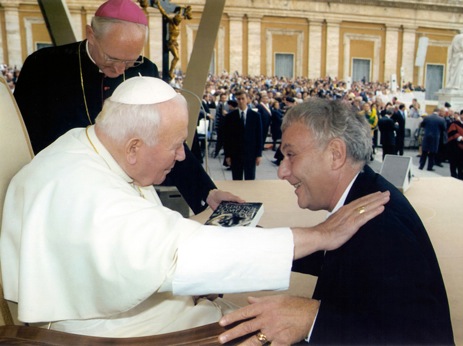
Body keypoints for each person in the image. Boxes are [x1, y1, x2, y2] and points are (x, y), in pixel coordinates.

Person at [0, 77, 390, 338]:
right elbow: (172, 253)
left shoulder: (89, 146)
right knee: (260, 331)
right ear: (134, 146)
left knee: (237, 309)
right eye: (174, 146)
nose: (182, 155)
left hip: (101, 302)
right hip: (90, 329)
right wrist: (318, 236)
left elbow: (149, 242)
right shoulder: (83, 189)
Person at [218, 98, 454, 345]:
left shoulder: (381, 228)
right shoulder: (363, 194)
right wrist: (253, 239)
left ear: (335, 154)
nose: (282, 171)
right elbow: (328, 255)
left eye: (291, 154)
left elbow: (419, 338)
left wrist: (313, 319)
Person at [13, 0, 228, 215]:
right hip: (63, 195)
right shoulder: (43, 67)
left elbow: (165, 141)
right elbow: (19, 142)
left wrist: (207, 191)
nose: (117, 70)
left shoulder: (144, 70)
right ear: (91, 35)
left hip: (122, 199)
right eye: (111, 58)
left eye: (128, 62)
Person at [224, 89, 263, 180]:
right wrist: (227, 155)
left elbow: (259, 136)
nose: (241, 101)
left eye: (242, 98)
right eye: (238, 99)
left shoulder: (256, 116)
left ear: (247, 99)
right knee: (236, 179)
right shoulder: (230, 117)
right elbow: (227, 138)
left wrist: (259, 154)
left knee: (250, 179)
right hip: (235, 153)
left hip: (250, 153)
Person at [154, 0, 192, 80]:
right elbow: (164, 13)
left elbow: (180, 15)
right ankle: (170, 71)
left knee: (177, 57)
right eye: (178, 20)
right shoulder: (171, 22)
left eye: (179, 21)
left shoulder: (177, 24)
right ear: (175, 20)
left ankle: (170, 71)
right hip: (170, 43)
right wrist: (158, 4)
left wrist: (181, 10)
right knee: (177, 57)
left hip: (175, 43)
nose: (179, 21)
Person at [419, 107, 446, 171]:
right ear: (438, 112)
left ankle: (421, 165)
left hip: (427, 136)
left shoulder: (427, 117)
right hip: (435, 137)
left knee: (424, 152)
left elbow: (422, 125)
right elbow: (444, 128)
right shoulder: (441, 119)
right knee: (432, 152)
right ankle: (429, 167)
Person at [447, 110, 463, 179]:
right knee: (453, 161)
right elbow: (451, 133)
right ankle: (453, 175)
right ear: (461, 115)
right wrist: (459, 137)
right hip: (455, 146)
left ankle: (460, 175)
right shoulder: (454, 123)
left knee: (461, 162)